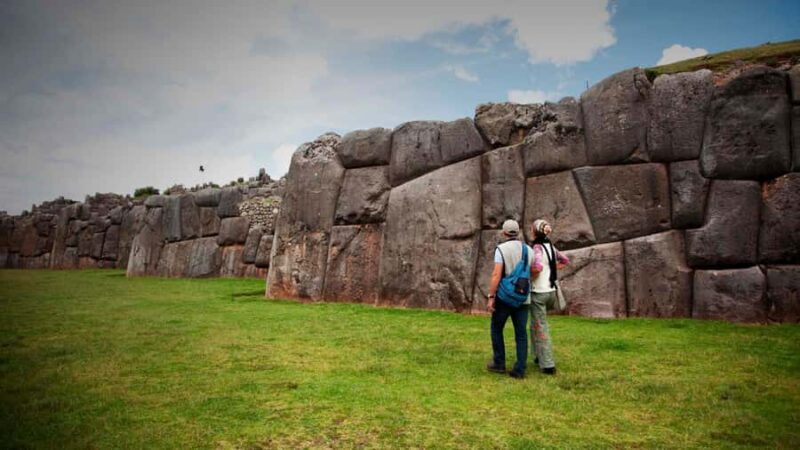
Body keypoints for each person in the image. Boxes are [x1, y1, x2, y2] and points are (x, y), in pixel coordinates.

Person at [486, 219, 535, 379]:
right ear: (518, 232)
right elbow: (533, 271)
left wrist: (491, 296)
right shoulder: (529, 250)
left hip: (505, 297)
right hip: (523, 297)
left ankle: (499, 363)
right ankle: (520, 368)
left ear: (504, 232)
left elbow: (496, 274)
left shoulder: (501, 249)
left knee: (496, 328)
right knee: (521, 332)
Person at [529, 219, 570, 375]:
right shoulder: (550, 246)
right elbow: (565, 260)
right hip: (551, 290)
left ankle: (547, 364)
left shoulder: (538, 247)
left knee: (540, 326)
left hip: (539, 292)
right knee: (534, 324)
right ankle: (538, 355)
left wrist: (529, 276)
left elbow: (538, 267)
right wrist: (552, 269)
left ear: (535, 231)